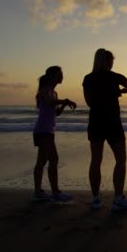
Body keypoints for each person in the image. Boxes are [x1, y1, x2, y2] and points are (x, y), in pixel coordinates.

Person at [83, 48, 127, 211]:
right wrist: (122, 90)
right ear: (109, 62)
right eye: (112, 61)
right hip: (112, 122)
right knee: (120, 160)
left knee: (96, 160)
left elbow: (89, 102)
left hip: (95, 122)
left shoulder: (88, 78)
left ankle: (95, 199)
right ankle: (118, 198)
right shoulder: (115, 77)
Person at [32, 66, 77, 202]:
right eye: (60, 74)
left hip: (48, 130)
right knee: (53, 159)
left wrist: (63, 104)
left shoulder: (54, 92)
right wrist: (65, 101)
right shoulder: (45, 91)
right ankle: (55, 192)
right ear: (52, 76)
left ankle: (38, 192)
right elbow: (49, 102)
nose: (62, 76)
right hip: (43, 130)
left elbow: (56, 112)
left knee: (42, 161)